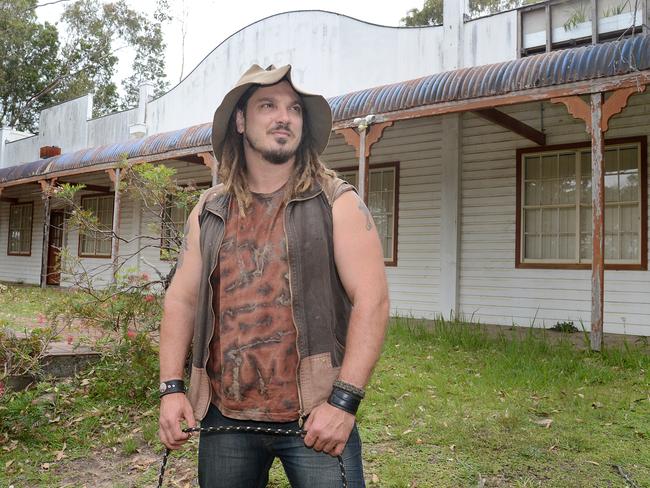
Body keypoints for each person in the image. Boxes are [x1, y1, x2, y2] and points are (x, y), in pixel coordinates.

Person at [158, 64, 389, 487]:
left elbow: (372, 300)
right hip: (225, 417)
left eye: (294, 108)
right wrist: (172, 389)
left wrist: (343, 403)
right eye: (268, 105)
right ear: (241, 121)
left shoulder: (336, 202)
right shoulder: (210, 210)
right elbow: (182, 299)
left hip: (316, 417)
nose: (284, 117)